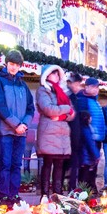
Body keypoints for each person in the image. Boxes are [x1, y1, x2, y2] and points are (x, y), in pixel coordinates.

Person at [0, 50, 35, 208]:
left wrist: (24, 124)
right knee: (5, 163)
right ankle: (4, 196)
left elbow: (31, 108)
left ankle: (14, 194)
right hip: (4, 131)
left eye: (17, 65)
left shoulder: (23, 84)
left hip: (21, 132)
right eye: (11, 64)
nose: (14, 67)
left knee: (17, 164)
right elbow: (0, 106)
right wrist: (16, 124)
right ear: (6, 63)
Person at [35, 65, 74, 199]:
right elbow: (48, 109)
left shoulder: (61, 92)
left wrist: (61, 114)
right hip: (48, 133)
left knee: (59, 165)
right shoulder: (43, 90)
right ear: (46, 75)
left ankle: (57, 195)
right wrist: (66, 109)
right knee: (47, 164)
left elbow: (72, 114)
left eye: (58, 74)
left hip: (62, 134)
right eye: (53, 74)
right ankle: (44, 194)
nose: (56, 76)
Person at [63, 73, 84, 191]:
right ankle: (60, 189)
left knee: (74, 165)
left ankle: (72, 188)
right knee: (64, 165)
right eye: (76, 84)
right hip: (67, 137)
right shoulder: (66, 97)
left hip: (76, 138)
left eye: (79, 84)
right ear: (69, 83)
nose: (78, 87)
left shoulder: (77, 98)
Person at [78, 111, 100, 190]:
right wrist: (97, 155)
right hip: (86, 157)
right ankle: (83, 193)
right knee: (85, 176)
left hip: (83, 156)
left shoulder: (81, 128)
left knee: (82, 175)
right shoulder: (86, 129)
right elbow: (90, 144)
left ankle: (81, 192)